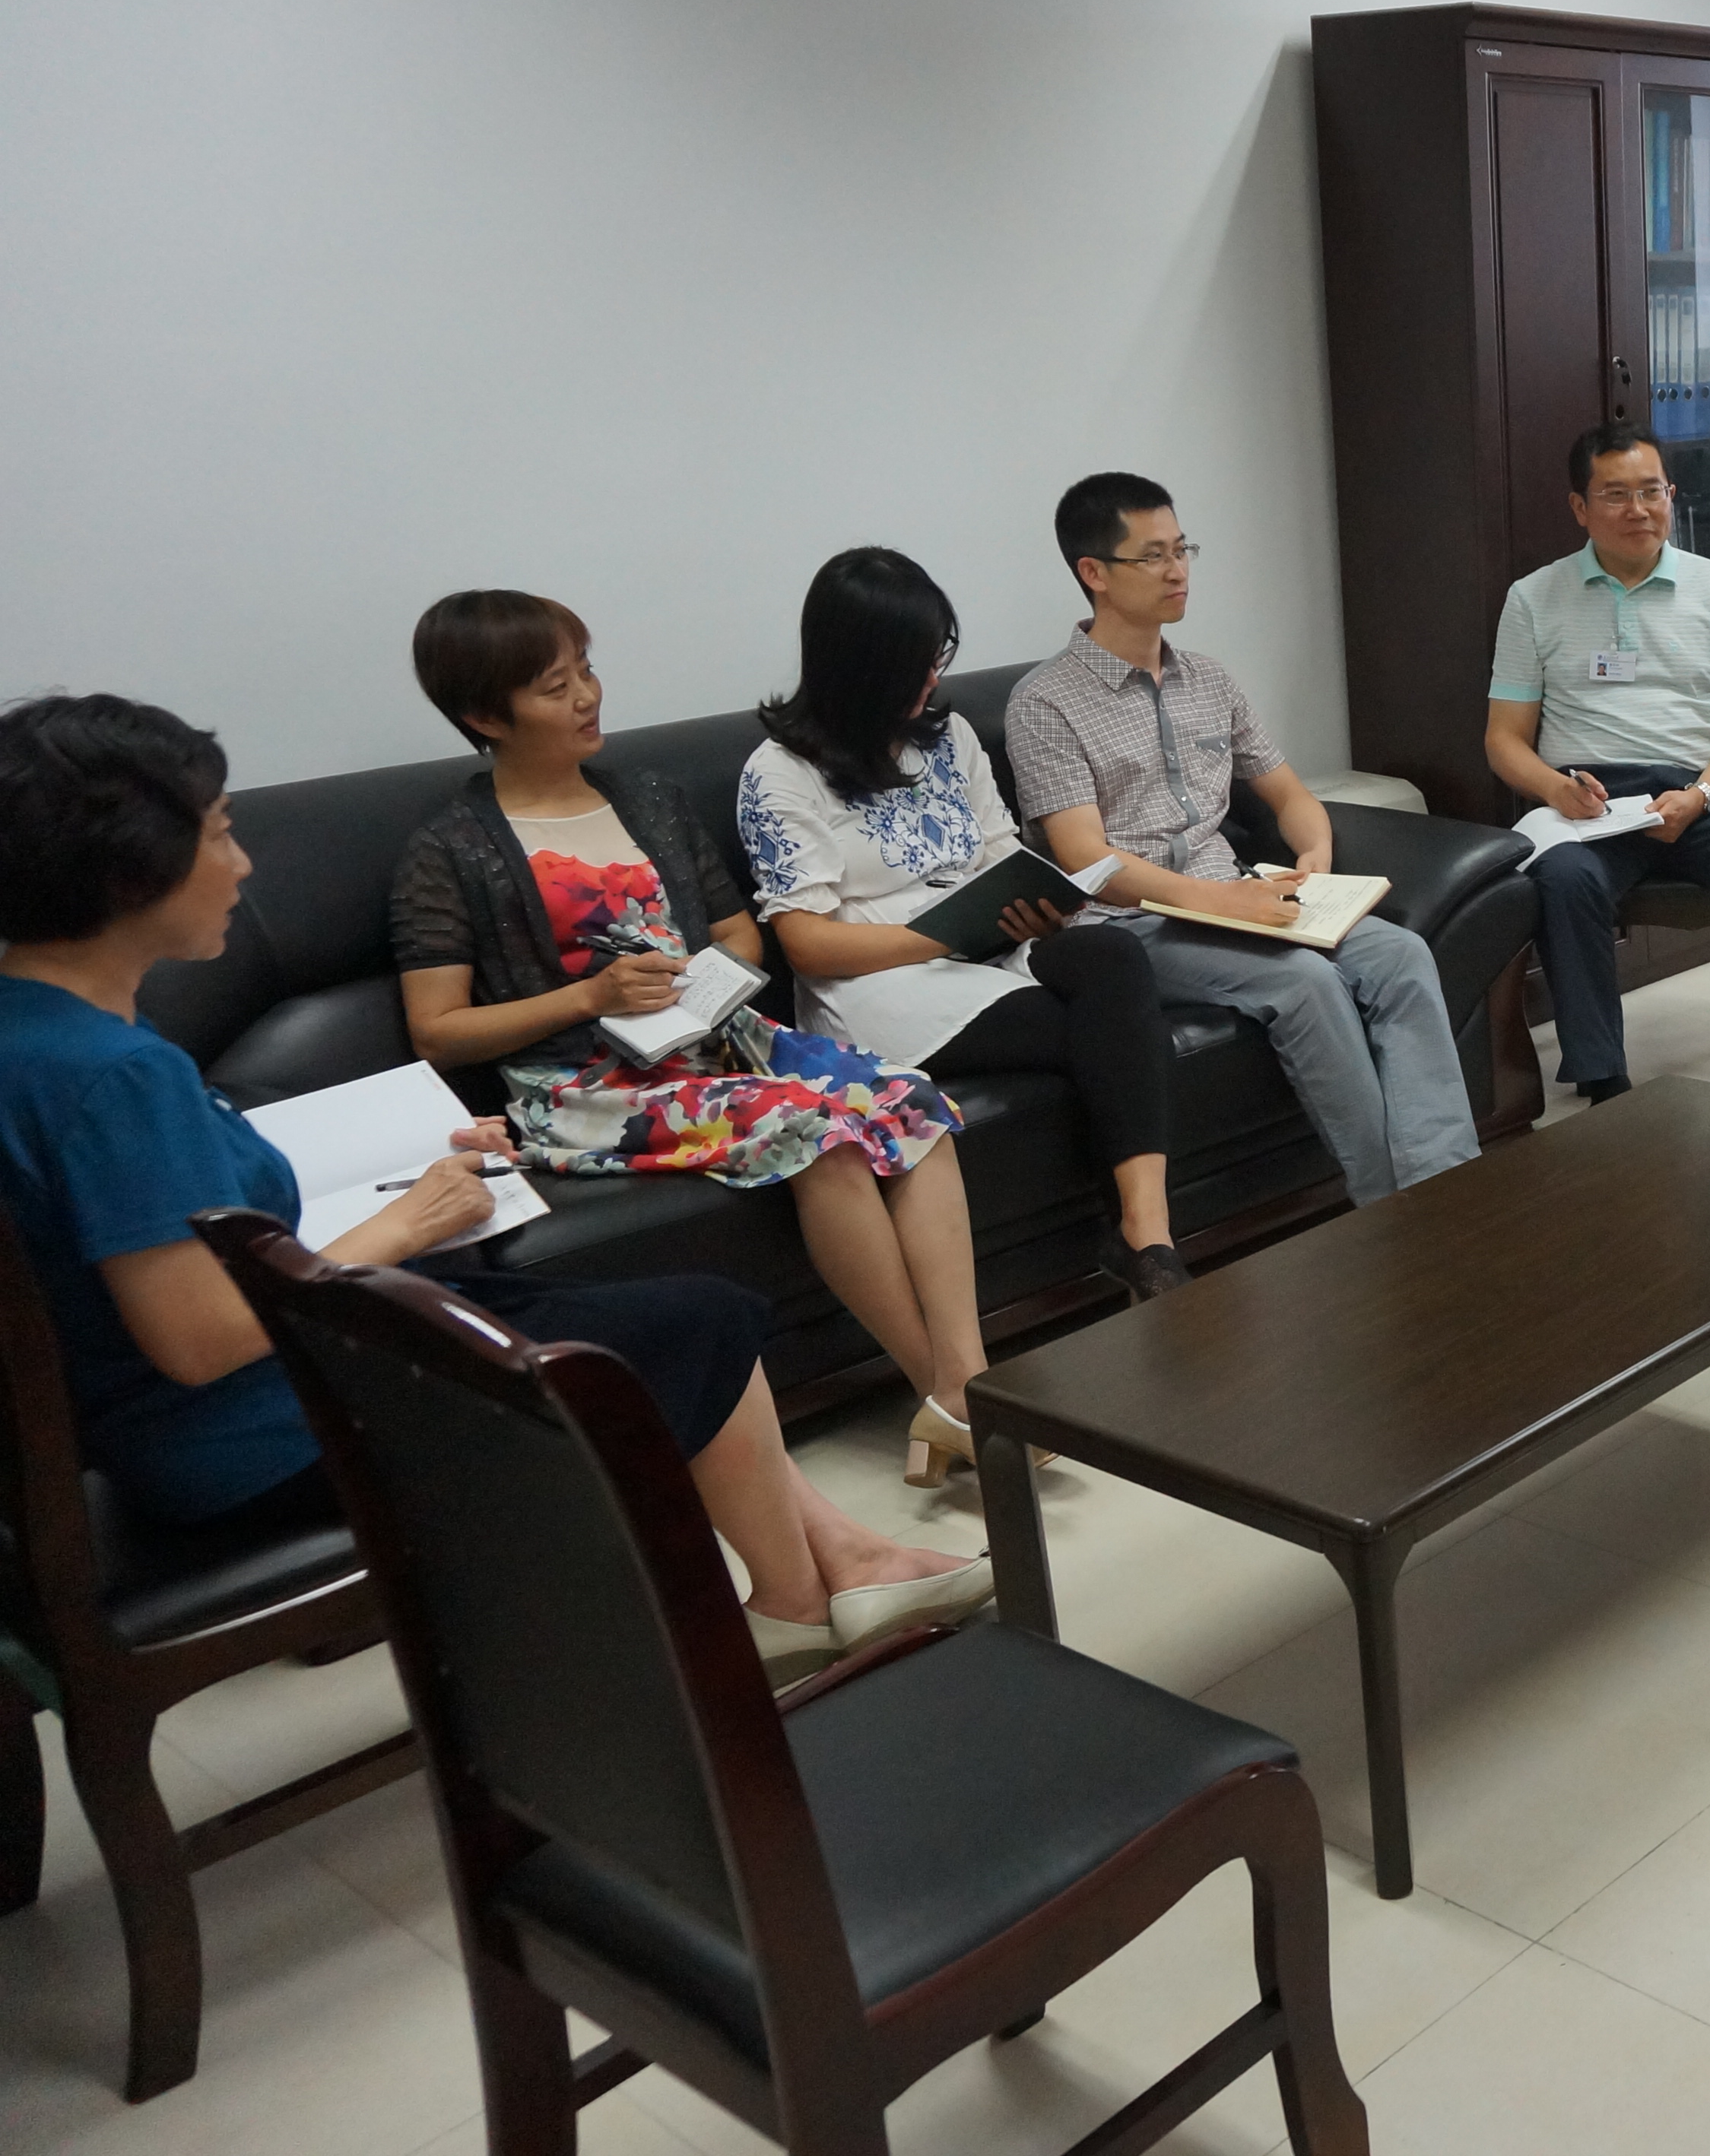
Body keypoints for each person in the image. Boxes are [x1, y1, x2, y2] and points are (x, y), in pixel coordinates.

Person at [0, 694, 986, 1682]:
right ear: (131, 867)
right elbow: (200, 1337)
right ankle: (799, 1598)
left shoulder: (38, 1028)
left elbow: (174, 1206)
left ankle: (837, 1567)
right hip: (250, 1437)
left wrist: (403, 1165)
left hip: (215, 1407)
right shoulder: (117, 1075)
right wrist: (406, 1221)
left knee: (616, 1311)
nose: (244, 864)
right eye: (219, 834)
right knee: (699, 1324)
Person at [391, 591, 1001, 1492]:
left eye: (586, 671)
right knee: (818, 1133)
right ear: (485, 716)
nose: (587, 697)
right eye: (556, 688)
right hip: (587, 1086)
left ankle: (968, 1384)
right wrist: (590, 996)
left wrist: (699, 979)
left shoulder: (648, 798)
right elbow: (437, 1031)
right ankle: (949, 1400)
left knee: (911, 1097)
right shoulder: (448, 849)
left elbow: (739, 933)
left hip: (719, 1041)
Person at [738, 547, 1186, 1361]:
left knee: (1114, 961)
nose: (932, 679)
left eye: (938, 655)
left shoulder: (948, 739)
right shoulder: (780, 772)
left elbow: (999, 854)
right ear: (858, 665)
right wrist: (945, 936)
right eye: (915, 663)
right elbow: (806, 943)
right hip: (878, 983)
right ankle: (1134, 1245)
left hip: (985, 945)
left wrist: (1035, 903)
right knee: (1103, 1034)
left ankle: (1147, 1233)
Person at [1005, 472, 1474, 1205]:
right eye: (1153, 556)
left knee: (1401, 955)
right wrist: (1223, 902)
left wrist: (1314, 861)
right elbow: (1087, 860)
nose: (1177, 570)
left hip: (1241, 897)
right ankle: (1391, 1210)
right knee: (1306, 982)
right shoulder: (1044, 703)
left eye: (1182, 549)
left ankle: (1446, 1190)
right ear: (1093, 573)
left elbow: (1290, 796)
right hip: (1132, 926)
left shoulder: (1210, 681)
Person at [1485, 421, 1710, 1109]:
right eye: (1615, 494)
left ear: (1672, 496)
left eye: (1651, 491)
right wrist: (1556, 790)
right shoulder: (1533, 598)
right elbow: (1504, 739)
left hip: (1699, 789)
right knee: (1563, 880)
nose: (1638, 510)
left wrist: (1702, 794)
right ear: (1579, 507)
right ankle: (1605, 1083)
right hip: (1589, 801)